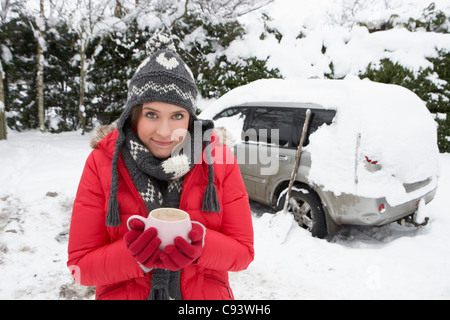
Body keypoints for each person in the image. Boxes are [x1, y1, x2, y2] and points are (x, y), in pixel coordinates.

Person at [67, 33, 254, 300]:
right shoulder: (103, 163)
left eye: (177, 116)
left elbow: (243, 253)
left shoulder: (218, 161)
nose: (165, 132)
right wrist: (133, 256)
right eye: (152, 115)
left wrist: (200, 246)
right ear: (134, 114)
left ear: (190, 119)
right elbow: (79, 268)